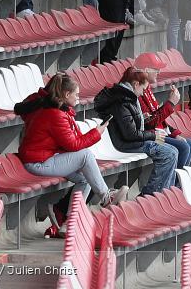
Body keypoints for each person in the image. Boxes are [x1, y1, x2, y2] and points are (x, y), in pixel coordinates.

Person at [14, 73, 128, 235]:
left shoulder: (54, 108)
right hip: (39, 162)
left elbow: (72, 141)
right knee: (86, 156)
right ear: (66, 95)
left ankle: (70, 222)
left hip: (45, 156)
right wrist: (97, 132)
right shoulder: (55, 114)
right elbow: (74, 145)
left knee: (85, 177)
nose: (78, 98)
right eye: (76, 94)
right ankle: (106, 197)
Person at [93, 67, 179, 196]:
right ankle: (150, 197)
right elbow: (130, 134)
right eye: (143, 89)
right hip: (126, 143)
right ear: (136, 84)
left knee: (174, 149)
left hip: (134, 139)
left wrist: (144, 122)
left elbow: (132, 126)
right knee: (169, 154)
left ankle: (164, 194)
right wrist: (153, 135)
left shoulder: (127, 97)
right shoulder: (122, 101)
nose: (143, 93)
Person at [133, 52, 191, 170]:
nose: (159, 72)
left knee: (190, 144)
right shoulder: (137, 91)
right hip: (150, 136)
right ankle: (173, 186)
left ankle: (178, 185)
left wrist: (174, 133)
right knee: (183, 147)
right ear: (146, 70)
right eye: (156, 69)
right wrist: (170, 103)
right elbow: (149, 123)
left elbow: (158, 119)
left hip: (157, 133)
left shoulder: (147, 88)